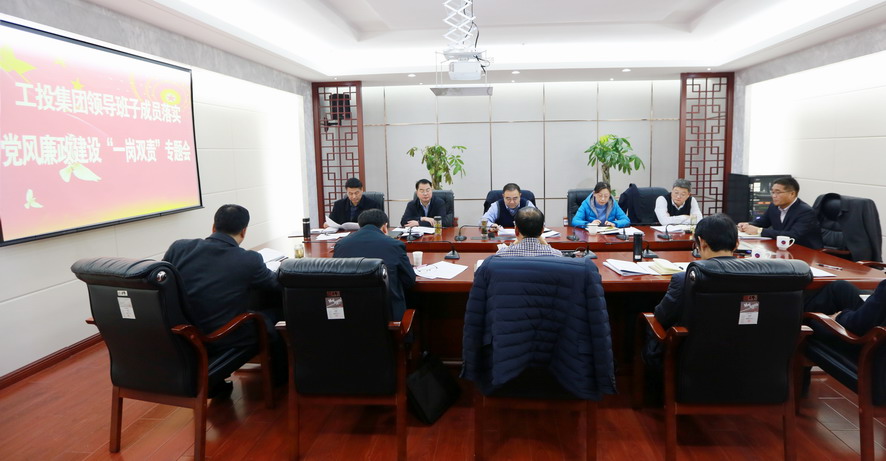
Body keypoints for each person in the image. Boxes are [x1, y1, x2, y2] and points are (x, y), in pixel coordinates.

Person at [162, 204, 286, 396]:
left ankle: (219, 384)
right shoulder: (249, 259)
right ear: (244, 231)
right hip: (220, 337)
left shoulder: (179, 248)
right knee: (274, 314)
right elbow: (275, 285)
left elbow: (163, 285)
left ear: (213, 227)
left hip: (182, 334)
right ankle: (282, 379)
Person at [333, 209, 416, 321]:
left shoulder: (341, 244)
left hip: (350, 315)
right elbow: (409, 281)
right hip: (389, 319)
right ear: (384, 227)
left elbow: (336, 278)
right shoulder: (394, 245)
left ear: (360, 225)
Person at [737, 177, 823, 249]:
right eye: (773, 192)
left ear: (792, 194)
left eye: (778, 192)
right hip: (782, 248)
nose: (774, 196)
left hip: (805, 250)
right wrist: (747, 225)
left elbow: (793, 235)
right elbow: (762, 222)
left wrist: (759, 231)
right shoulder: (773, 206)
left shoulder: (805, 212)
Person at [804, 279, 886, 336]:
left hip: (861, 340)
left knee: (812, 319)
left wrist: (839, 316)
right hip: (875, 321)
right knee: (840, 287)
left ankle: (800, 325)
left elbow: (858, 325)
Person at [495, 207, 563, 257]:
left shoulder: (501, 254)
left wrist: (514, 243)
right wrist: (545, 244)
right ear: (542, 230)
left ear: (516, 230)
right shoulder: (556, 255)